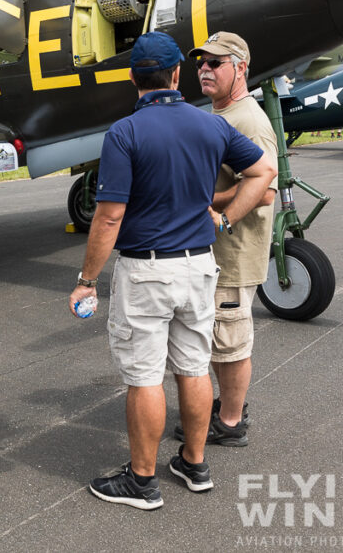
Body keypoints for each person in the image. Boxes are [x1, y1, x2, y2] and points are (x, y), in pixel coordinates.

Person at [68, 32, 276, 508]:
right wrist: (224, 218)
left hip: (147, 271)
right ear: (177, 75)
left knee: (144, 376)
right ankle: (194, 462)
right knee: (194, 366)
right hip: (201, 267)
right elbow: (264, 172)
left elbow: (109, 215)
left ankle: (142, 480)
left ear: (132, 77)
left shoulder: (125, 133)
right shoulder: (211, 126)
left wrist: (86, 280)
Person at [168, 32, 277, 448]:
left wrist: (217, 210)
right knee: (218, 338)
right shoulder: (222, 114)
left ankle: (230, 422)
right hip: (216, 253)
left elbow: (265, 188)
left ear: (241, 69)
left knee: (229, 341)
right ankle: (225, 407)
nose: (205, 70)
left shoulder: (248, 119)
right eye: (201, 63)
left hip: (233, 253)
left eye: (216, 63)